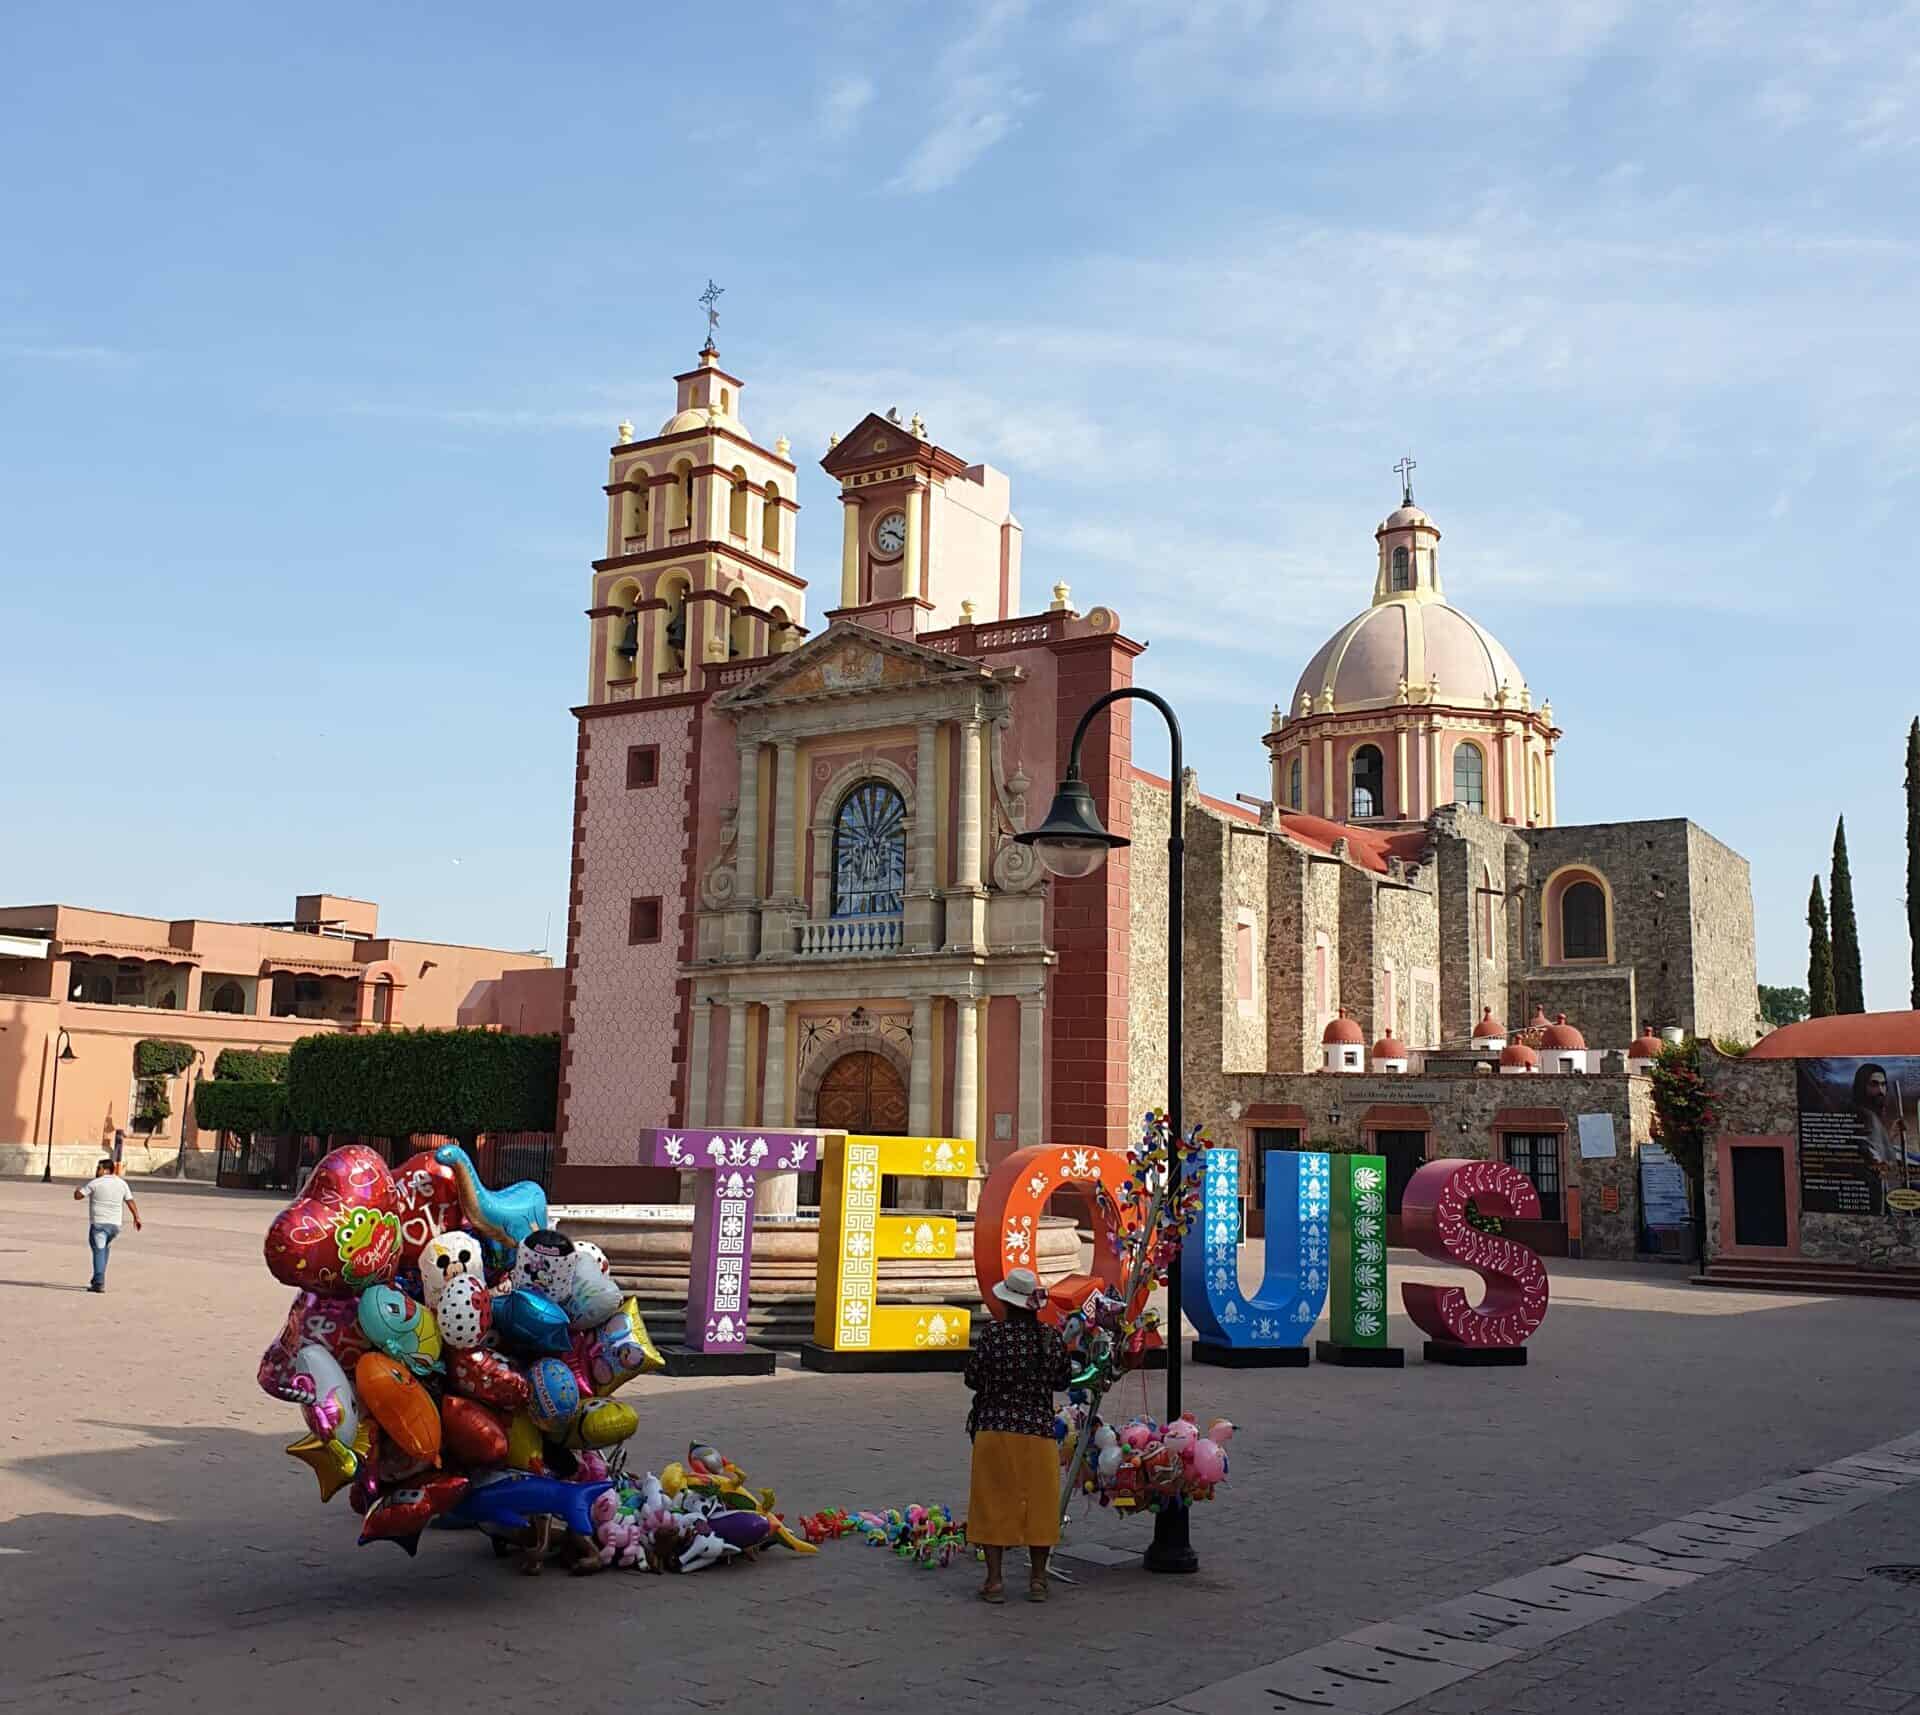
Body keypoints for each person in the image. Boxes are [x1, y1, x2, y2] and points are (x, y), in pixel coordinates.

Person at [963, 1265, 1071, 1604]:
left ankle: (994, 1581)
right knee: (1039, 1504)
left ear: (1007, 1303)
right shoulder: (1050, 1338)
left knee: (992, 1501)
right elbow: (1062, 1381)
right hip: (1037, 1432)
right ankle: (1037, 1580)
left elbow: (972, 1378)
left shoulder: (994, 1336)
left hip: (994, 1430)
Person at [73, 1159, 141, 1292]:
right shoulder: (122, 1183)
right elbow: (130, 1200)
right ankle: (97, 1278)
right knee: (104, 1249)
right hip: (115, 1226)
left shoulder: (95, 1183)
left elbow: (78, 1196)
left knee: (98, 1251)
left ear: (105, 1170)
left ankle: (98, 1282)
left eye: (98, 1168)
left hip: (99, 1224)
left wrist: (76, 1190)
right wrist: (136, 1217)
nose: (96, 1171)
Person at [1850, 1064, 1909, 1169]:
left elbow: (1875, 1148)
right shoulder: (1864, 1116)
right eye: (1874, 1084)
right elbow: (1876, 1162)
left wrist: (1890, 1135)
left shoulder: (1871, 1114)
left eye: (1883, 1084)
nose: (1881, 1091)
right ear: (1861, 1086)